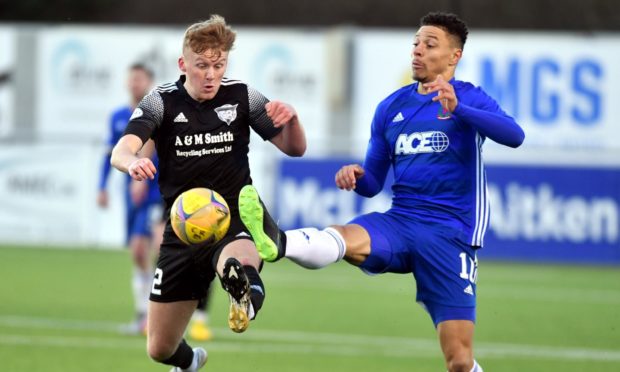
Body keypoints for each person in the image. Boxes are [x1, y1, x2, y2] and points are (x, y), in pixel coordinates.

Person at [239, 12, 524, 372]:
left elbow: (515, 136)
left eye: (430, 44)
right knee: (343, 236)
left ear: (455, 56)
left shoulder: (470, 98)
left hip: (449, 235)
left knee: (459, 361)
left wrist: (460, 109)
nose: (418, 50)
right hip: (400, 221)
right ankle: (280, 241)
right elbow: (373, 183)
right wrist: (356, 176)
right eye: (416, 43)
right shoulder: (391, 108)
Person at [110, 15, 306, 371]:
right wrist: (131, 163)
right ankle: (190, 363)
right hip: (183, 229)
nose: (212, 74)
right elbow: (121, 149)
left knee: (239, 264)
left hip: (236, 214)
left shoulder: (242, 95)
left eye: (219, 64)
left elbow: (294, 149)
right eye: (202, 65)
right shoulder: (161, 102)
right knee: (159, 347)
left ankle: (244, 293)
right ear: (184, 64)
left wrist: (292, 120)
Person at [97, 63, 160, 335]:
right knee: (137, 254)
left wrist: (144, 171)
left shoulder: (158, 112)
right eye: (132, 78)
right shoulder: (117, 117)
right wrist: (102, 186)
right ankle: (143, 315)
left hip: (156, 194)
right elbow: (109, 153)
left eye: (140, 79)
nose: (135, 83)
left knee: (152, 248)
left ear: (148, 82)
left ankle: (158, 316)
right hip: (131, 194)